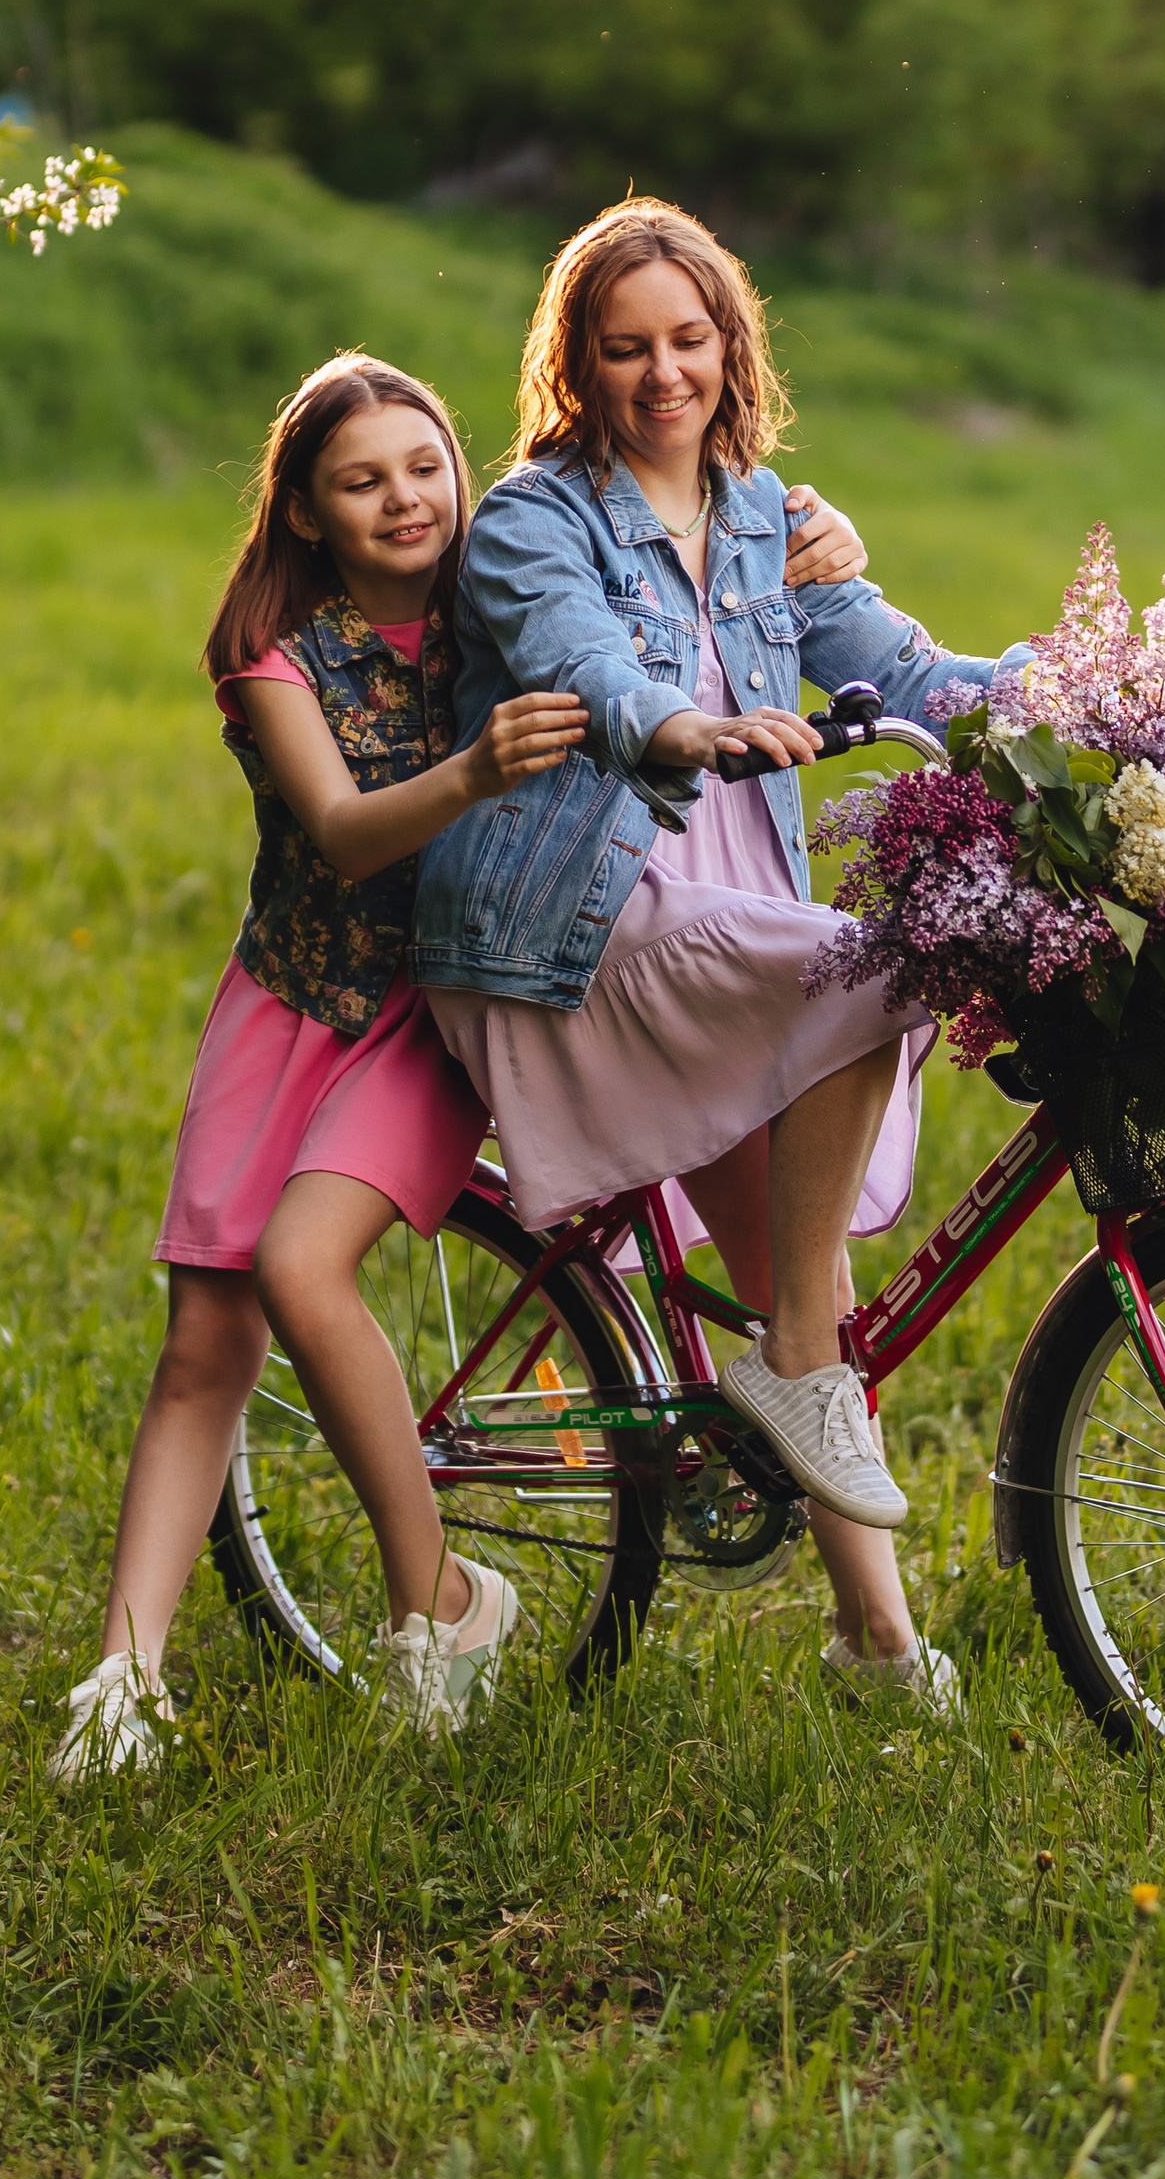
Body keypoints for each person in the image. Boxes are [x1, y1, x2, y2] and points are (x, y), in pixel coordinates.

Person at [51, 346, 868, 1781]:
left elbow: (659, 555)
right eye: (361, 482)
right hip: (292, 1003)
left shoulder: (511, 582)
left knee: (302, 1274)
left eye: (426, 467)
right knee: (206, 1334)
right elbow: (344, 830)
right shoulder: (278, 662)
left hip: (434, 1013)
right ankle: (127, 1673)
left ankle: (437, 1608)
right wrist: (478, 771)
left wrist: (813, 539)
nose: (404, 500)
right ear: (305, 511)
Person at [414, 201, 1027, 1711]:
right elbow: (582, 657)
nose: (663, 372)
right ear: (580, 364)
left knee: (783, 1290)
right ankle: (802, 1368)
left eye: (689, 340)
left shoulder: (766, 516)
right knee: (879, 964)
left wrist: (1079, 695)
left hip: (730, 916)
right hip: (584, 925)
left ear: (729, 344)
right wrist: (681, 725)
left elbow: (902, 667)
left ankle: (877, 1645)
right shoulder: (530, 519)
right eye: (626, 348)